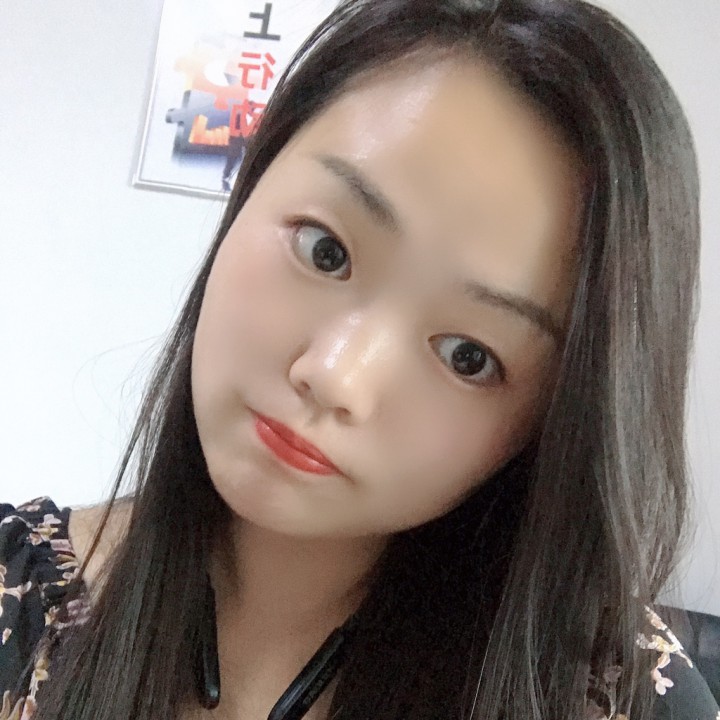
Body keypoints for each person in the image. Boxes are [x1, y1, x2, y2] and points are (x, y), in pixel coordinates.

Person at [0, 0, 716, 719]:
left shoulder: (618, 700)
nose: (336, 375)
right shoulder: (15, 593)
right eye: (325, 250)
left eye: (468, 356)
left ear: (553, 419)